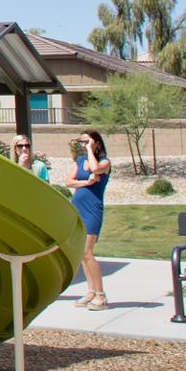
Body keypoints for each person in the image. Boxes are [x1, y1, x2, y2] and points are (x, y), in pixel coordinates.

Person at [67, 130, 112, 310]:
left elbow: (95, 169)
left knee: (87, 252)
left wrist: (91, 152)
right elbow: (68, 182)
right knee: (81, 254)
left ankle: (101, 295)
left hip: (92, 211)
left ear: (96, 143)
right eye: (81, 142)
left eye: (87, 142)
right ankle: (91, 291)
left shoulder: (104, 162)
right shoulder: (79, 162)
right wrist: (86, 183)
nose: (83, 145)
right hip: (78, 209)